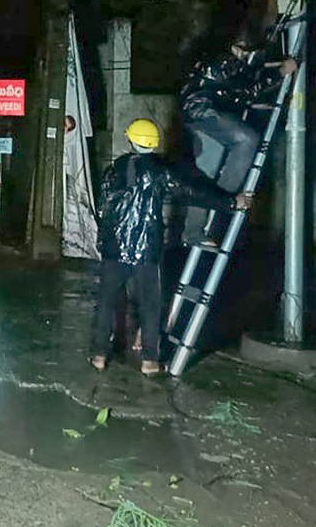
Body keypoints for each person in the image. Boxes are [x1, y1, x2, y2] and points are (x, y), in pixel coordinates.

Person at [91, 119, 251, 376]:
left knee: (106, 302)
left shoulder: (114, 170)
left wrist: (106, 241)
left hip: (114, 249)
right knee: (151, 306)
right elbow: (191, 192)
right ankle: (149, 361)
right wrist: (232, 202)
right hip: (147, 251)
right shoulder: (160, 172)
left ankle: (99, 356)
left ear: (130, 140)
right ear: (153, 144)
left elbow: (103, 207)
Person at [179, 19, 297, 246]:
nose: (245, 55)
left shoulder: (218, 58)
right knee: (247, 140)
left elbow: (246, 82)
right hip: (204, 112)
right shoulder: (223, 61)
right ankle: (227, 200)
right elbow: (247, 91)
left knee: (206, 173)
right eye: (243, 50)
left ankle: (193, 232)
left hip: (199, 115)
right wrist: (282, 71)